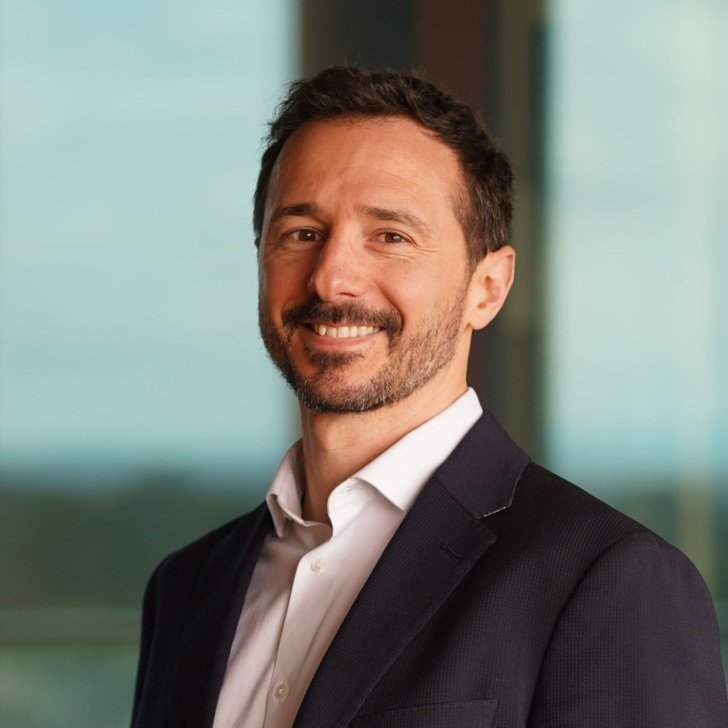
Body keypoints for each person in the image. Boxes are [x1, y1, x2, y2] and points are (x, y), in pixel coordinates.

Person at [130, 67, 727, 728]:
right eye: (301, 233)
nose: (332, 276)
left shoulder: (605, 583)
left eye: (391, 237)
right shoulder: (186, 589)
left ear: (488, 288)